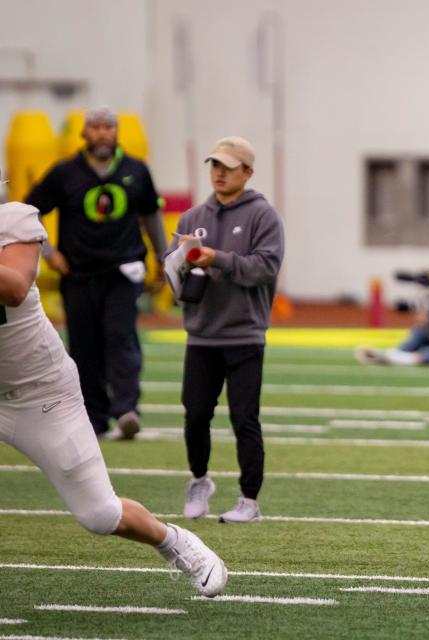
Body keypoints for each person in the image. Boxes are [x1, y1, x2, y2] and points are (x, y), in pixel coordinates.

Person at [0, 198, 226, 596]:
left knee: (100, 515)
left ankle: (174, 541)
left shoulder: (14, 220)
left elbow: (15, 288)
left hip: (40, 394)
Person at [25, 106, 168, 440]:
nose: (103, 133)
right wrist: (49, 253)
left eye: (109, 127)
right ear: (84, 133)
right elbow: (30, 211)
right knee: (84, 347)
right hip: (78, 273)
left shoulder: (136, 170)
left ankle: (127, 410)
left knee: (121, 338)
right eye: (96, 127)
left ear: (116, 132)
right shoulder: (64, 173)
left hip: (123, 271)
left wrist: (163, 257)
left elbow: (151, 216)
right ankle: (94, 418)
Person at [164, 137, 284, 524]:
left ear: (247, 173)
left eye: (228, 167)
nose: (218, 172)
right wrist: (178, 263)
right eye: (214, 165)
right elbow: (173, 274)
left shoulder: (263, 217)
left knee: (243, 418)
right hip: (201, 334)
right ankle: (199, 480)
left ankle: (249, 500)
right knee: (195, 414)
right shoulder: (191, 219)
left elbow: (264, 268)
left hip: (244, 334)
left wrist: (219, 259)